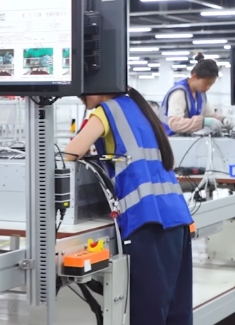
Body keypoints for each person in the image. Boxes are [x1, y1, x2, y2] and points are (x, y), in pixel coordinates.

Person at [64, 87, 193, 325]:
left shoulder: (107, 111)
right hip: (176, 217)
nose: (82, 99)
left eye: (83, 92)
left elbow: (68, 155)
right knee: (176, 311)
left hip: (147, 222)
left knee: (147, 314)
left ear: (101, 84)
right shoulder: (140, 107)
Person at [159, 53, 230, 135]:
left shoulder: (200, 94)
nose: (208, 88)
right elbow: (174, 123)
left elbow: (210, 115)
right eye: (206, 83)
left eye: (211, 84)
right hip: (169, 140)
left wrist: (223, 120)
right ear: (194, 76)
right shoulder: (179, 93)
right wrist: (203, 122)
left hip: (184, 140)